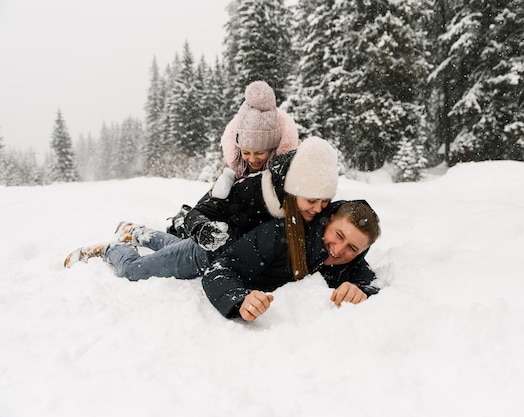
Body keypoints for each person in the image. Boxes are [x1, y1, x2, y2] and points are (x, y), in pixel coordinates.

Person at [64, 137, 339, 282]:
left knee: (170, 246)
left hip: (223, 257)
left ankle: (136, 231)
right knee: (134, 271)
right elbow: (200, 211)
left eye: (324, 201)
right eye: (311, 200)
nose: (318, 208)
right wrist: (204, 231)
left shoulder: (309, 208)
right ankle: (110, 250)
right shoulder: (253, 190)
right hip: (207, 253)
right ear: (293, 188)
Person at [203, 199, 382, 322]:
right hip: (205, 250)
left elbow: (374, 285)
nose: (338, 250)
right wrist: (239, 300)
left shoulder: (353, 263)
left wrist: (361, 291)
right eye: (339, 235)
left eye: (352, 248)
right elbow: (220, 269)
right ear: (329, 220)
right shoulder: (280, 234)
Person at [167, 80, 299, 237]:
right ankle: (181, 222)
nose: (252, 159)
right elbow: (212, 199)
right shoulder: (236, 164)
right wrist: (197, 219)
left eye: (259, 153)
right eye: (246, 152)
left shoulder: (284, 169)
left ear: (272, 149)